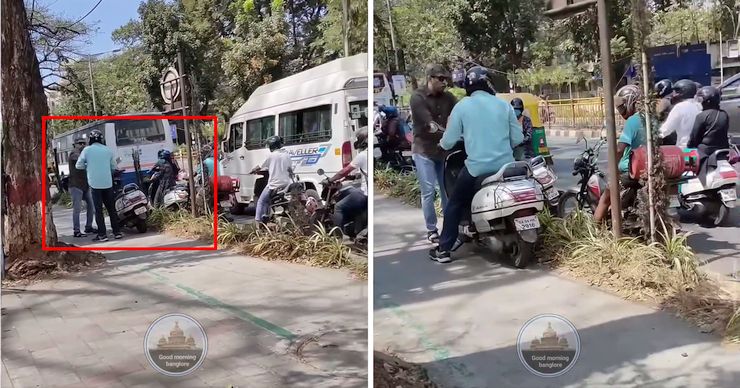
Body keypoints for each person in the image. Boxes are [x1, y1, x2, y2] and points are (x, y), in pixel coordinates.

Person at [428, 66, 524, 263]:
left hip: (476, 169)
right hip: (505, 166)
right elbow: (517, 138)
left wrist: (442, 144)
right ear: (488, 83)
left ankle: (444, 250)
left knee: (454, 203)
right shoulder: (503, 105)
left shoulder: (463, 106)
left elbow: (449, 139)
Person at [409, 64, 457, 243]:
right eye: (441, 79)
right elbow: (430, 125)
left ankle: (449, 228)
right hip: (424, 150)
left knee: (446, 191)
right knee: (429, 191)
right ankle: (431, 229)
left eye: (446, 79)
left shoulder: (449, 98)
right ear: (431, 78)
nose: (445, 82)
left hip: (444, 150)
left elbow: (461, 114)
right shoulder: (417, 97)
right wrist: (451, 133)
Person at [593, 85, 647, 223]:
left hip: (630, 172)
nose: (622, 111)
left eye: (622, 107)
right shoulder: (651, 118)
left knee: (606, 198)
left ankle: (595, 230)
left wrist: (612, 170)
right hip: (650, 169)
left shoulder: (632, 121)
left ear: (631, 102)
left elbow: (619, 150)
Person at [75, 129, 122, 241]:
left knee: (98, 210)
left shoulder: (87, 150)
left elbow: (78, 165)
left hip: (94, 184)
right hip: (108, 183)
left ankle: (102, 235)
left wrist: (88, 166)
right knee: (111, 209)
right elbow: (114, 167)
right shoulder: (107, 150)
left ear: (90, 139)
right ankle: (117, 232)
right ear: (101, 139)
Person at [325, 128, 368, 238]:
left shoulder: (362, 155)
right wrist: (351, 177)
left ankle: (337, 237)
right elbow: (363, 172)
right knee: (351, 191)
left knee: (338, 207)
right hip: (366, 190)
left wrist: (331, 179)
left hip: (365, 192)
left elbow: (344, 171)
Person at [251, 135, 293, 223]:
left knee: (261, 201)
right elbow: (290, 170)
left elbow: (260, 166)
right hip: (287, 184)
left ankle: (258, 222)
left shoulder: (271, 156)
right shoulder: (287, 155)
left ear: (272, 146)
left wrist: (253, 171)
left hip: (274, 185)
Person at [688, 86, 730, 171]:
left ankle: (691, 173)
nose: (699, 102)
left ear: (707, 101)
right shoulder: (724, 114)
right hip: (722, 150)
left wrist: (688, 146)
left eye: (701, 100)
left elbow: (693, 138)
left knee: (688, 153)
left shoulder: (701, 116)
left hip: (705, 151)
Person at [658, 79, 701, 147]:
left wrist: (652, 137)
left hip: (685, 150)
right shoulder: (699, 105)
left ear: (683, 92)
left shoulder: (679, 107)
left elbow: (665, 130)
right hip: (698, 148)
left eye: (676, 91)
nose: (673, 94)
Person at [67, 137, 96, 237]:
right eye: (80, 143)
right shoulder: (73, 154)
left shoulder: (84, 153)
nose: (83, 145)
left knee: (91, 206)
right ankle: (76, 230)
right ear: (75, 144)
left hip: (85, 185)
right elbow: (80, 160)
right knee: (77, 209)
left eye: (84, 143)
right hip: (75, 185)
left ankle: (89, 227)